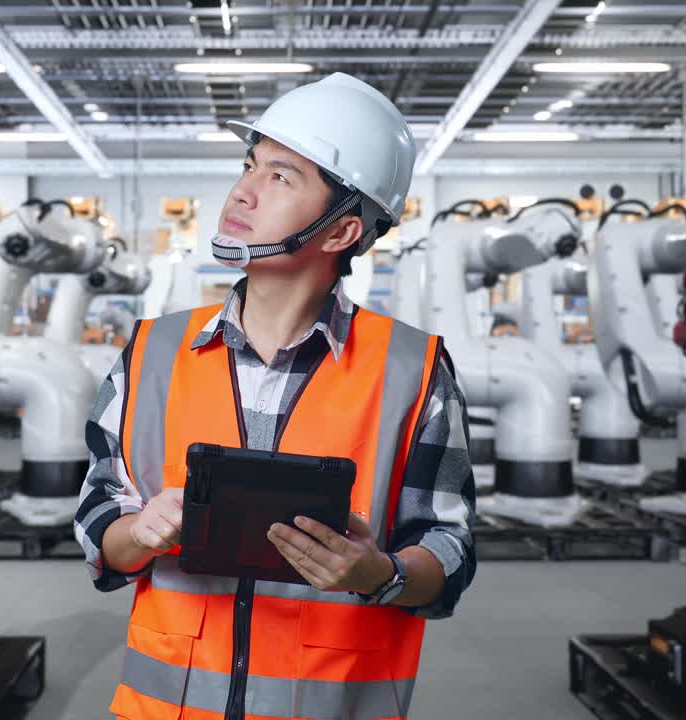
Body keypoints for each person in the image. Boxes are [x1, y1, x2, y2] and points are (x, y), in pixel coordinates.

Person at [75, 72, 476, 720]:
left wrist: (375, 573)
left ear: (341, 232)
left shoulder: (414, 371)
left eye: (281, 177)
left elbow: (448, 553)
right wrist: (140, 533)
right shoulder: (151, 353)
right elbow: (100, 528)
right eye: (250, 165)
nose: (243, 190)